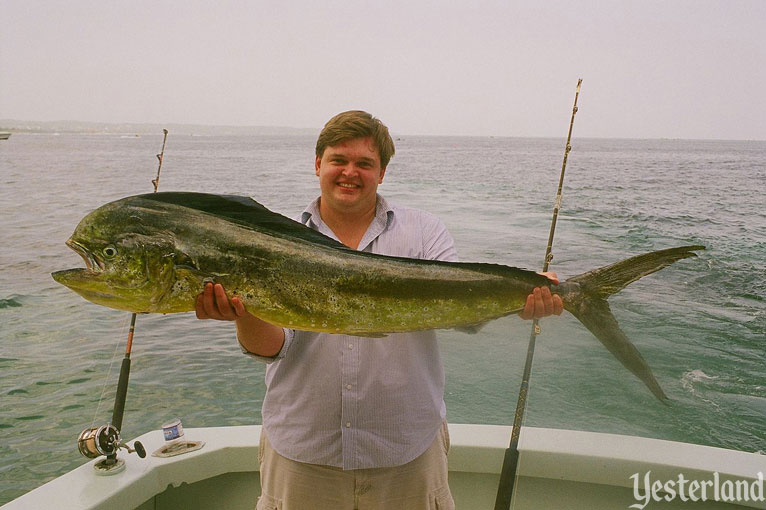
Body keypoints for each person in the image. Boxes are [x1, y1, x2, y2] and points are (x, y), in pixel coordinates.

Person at [195, 110, 563, 509]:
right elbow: (275, 348)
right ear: (318, 164)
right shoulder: (273, 238)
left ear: (382, 172)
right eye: (339, 160)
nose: (350, 172)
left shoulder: (425, 232)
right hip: (303, 455)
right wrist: (244, 312)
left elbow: (460, 307)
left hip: (406, 453)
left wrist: (520, 297)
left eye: (364, 164)